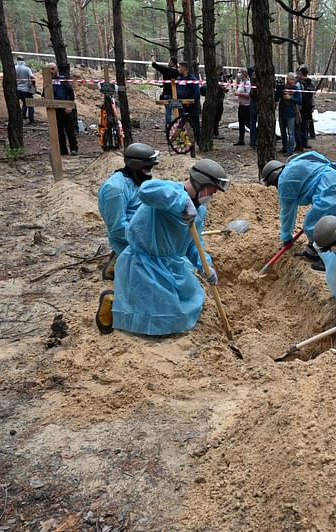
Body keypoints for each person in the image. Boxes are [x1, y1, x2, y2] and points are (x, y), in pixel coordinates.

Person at [95, 159, 231, 336]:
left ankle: (128, 301)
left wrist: (205, 265)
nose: (213, 194)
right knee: (159, 317)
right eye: (213, 189)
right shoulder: (168, 192)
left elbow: (193, 243)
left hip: (171, 265)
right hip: (144, 264)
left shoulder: (199, 211)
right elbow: (146, 190)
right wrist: (182, 201)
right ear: (202, 183)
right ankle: (113, 303)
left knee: (188, 305)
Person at [260, 151, 336, 269]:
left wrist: (286, 237)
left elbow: (287, 212)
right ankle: (312, 252)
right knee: (331, 222)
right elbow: (316, 155)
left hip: (335, 188)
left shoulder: (284, 180)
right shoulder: (296, 163)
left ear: (273, 179)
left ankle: (331, 259)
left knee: (312, 225)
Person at [97, 143, 161, 280]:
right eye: (147, 169)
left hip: (142, 234)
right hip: (130, 239)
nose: (150, 174)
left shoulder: (137, 180)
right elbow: (118, 228)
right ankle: (118, 262)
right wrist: (148, 241)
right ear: (136, 166)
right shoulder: (115, 189)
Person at [48, 63, 78, 156]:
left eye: (53, 69)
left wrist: (69, 106)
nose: (51, 71)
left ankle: (74, 148)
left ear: (56, 69)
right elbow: (44, 94)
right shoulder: (47, 81)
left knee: (69, 130)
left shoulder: (62, 79)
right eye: (49, 69)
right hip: (54, 110)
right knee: (59, 131)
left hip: (65, 109)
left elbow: (71, 94)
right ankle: (63, 150)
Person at [277, 72, 303, 156]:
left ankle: (290, 150)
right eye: (291, 79)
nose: (293, 81)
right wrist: (278, 90)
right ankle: (284, 147)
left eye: (294, 79)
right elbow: (276, 98)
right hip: (282, 113)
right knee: (283, 132)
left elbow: (299, 101)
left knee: (291, 133)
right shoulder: (282, 87)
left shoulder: (296, 88)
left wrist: (290, 98)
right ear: (287, 79)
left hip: (291, 114)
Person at [175, 61, 201, 142]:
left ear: (184, 68)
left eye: (180, 67)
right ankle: (183, 140)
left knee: (194, 123)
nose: (178, 69)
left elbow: (197, 93)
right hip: (181, 105)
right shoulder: (179, 79)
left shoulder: (192, 79)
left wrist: (190, 102)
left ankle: (198, 140)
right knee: (182, 123)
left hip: (191, 106)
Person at [151, 57, 179, 129]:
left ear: (171, 62)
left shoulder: (166, 70)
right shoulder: (178, 72)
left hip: (167, 94)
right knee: (177, 111)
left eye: (169, 61)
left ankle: (169, 127)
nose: (168, 62)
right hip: (176, 94)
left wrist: (152, 58)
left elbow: (155, 65)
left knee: (168, 111)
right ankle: (178, 126)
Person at [296, 65, 314, 150]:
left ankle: (304, 142)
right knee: (299, 126)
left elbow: (311, 95)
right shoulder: (297, 83)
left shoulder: (309, 83)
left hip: (307, 108)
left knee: (305, 126)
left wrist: (312, 105)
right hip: (301, 108)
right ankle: (299, 144)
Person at [15, 56, 36, 124]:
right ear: (23, 61)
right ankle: (31, 119)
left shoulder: (14, 68)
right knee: (30, 104)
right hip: (26, 90)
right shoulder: (27, 69)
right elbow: (32, 77)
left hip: (17, 90)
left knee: (24, 102)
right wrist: (33, 87)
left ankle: (22, 116)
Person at [233, 67, 251, 146]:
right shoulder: (241, 82)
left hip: (246, 106)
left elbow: (248, 95)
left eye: (240, 73)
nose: (239, 74)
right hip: (241, 105)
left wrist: (239, 94)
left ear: (244, 74)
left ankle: (257, 133)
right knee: (241, 123)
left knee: (247, 123)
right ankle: (241, 139)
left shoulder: (247, 83)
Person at [248, 66, 258, 148]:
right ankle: (253, 141)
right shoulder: (254, 74)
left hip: (255, 99)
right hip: (255, 99)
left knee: (254, 122)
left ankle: (253, 141)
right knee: (253, 122)